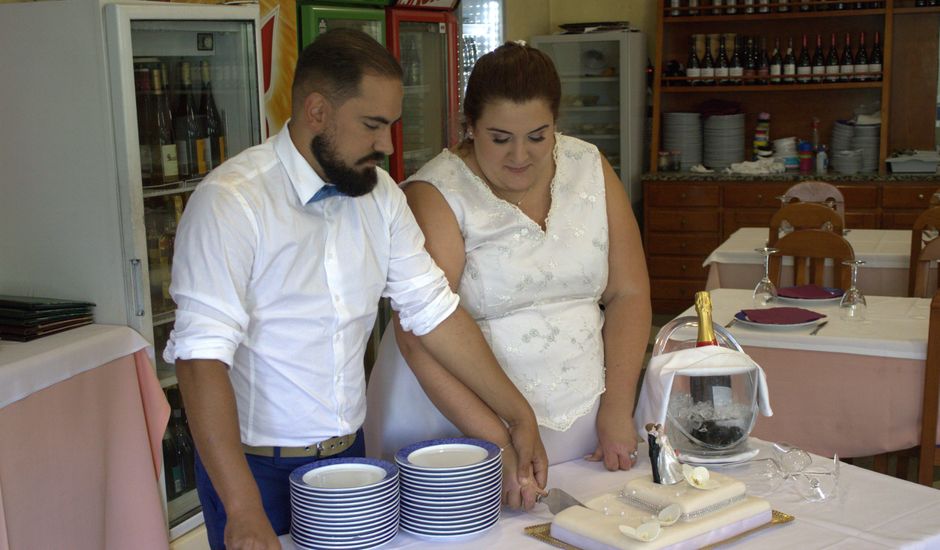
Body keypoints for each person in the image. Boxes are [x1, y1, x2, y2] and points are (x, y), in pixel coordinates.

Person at [163, 29, 547, 550]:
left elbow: (433, 313)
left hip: (352, 457)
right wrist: (243, 505)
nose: (386, 145)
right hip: (252, 468)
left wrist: (517, 414)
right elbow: (200, 361)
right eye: (372, 125)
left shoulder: (380, 196)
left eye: (389, 125)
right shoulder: (232, 203)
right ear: (317, 111)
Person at [366, 41, 651, 500]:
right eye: (500, 138)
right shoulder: (438, 193)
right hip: (458, 418)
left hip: (583, 411)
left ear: (556, 124)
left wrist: (617, 407)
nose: (520, 155)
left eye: (538, 136)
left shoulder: (590, 166)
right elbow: (419, 334)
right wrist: (495, 442)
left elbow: (629, 293)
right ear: (469, 128)